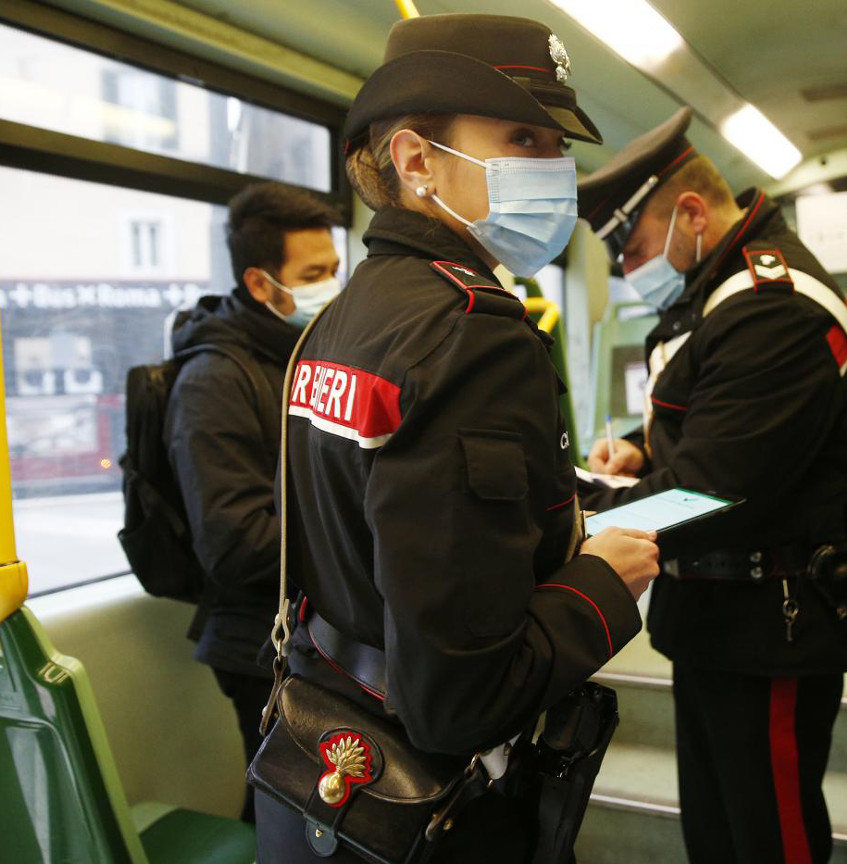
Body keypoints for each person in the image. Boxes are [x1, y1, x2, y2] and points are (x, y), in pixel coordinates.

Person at [255, 14, 660, 863]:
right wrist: (601, 586)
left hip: (330, 746)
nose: (555, 169)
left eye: (555, 145)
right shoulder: (472, 334)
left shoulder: (339, 321)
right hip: (434, 801)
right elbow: (465, 696)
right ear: (416, 161)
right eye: (522, 138)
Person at [578, 107, 847, 864]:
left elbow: (712, 492)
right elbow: (721, 427)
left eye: (633, 248)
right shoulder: (718, 294)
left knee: (766, 836)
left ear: (690, 214)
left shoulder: (769, 306)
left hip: (769, 623)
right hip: (717, 615)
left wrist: (578, 514)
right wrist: (642, 455)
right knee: (715, 830)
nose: (628, 270)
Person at [166, 181, 343, 821]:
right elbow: (234, 543)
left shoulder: (300, 356)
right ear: (262, 284)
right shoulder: (215, 381)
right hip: (258, 643)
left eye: (336, 269)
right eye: (313, 274)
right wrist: (359, 524)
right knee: (285, 811)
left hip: (313, 626)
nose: (332, 286)